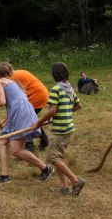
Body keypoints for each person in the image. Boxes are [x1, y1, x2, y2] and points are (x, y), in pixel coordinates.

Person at [0, 63, 55, 184]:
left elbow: (1, 101)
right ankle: (5, 175)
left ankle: (45, 169)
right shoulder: (14, 82)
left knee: (16, 150)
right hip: (21, 113)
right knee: (2, 140)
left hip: (20, 115)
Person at [33, 63, 86, 196]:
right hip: (69, 128)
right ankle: (64, 187)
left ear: (54, 75)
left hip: (60, 130)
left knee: (53, 157)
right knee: (58, 157)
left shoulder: (56, 89)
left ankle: (75, 180)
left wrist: (39, 122)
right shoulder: (69, 88)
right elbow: (78, 106)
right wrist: (66, 111)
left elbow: (53, 110)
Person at [6, 63, 49, 151]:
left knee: (25, 119)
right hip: (42, 93)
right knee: (32, 119)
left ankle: (30, 144)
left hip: (36, 95)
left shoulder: (12, 77)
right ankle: (43, 140)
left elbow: (18, 93)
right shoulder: (20, 72)